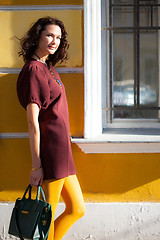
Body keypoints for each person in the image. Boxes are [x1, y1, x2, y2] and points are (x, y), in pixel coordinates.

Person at [16, 16, 85, 240]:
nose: (54, 41)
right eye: (49, 35)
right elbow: (32, 122)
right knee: (48, 214)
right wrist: (36, 166)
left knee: (77, 209)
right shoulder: (34, 70)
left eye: (58, 37)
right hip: (51, 152)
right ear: (37, 36)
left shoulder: (49, 67)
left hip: (63, 149)